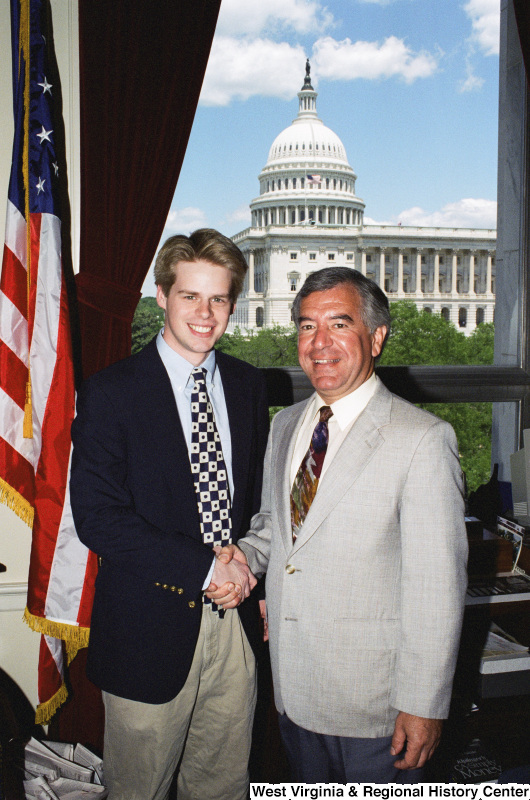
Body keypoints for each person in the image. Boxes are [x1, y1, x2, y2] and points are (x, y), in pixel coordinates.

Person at [209, 266, 468, 784]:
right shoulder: (285, 424)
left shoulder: (422, 440)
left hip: (378, 710)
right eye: (307, 326)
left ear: (376, 337)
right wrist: (243, 555)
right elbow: (275, 526)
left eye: (339, 324)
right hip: (293, 689)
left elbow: (436, 588)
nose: (319, 343)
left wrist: (425, 703)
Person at [70, 229, 269, 800]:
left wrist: (246, 567)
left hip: (233, 629)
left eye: (219, 299)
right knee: (141, 791)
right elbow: (99, 518)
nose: (205, 314)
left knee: (223, 787)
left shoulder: (249, 386)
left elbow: (253, 504)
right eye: (190, 296)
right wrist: (207, 569)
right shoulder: (112, 391)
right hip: (146, 633)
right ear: (162, 296)